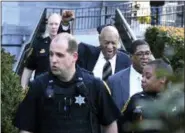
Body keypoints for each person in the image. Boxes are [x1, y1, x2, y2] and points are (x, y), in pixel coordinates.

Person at [14, 33, 120, 133]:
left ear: (74, 57)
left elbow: (110, 123)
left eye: (59, 55)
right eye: (51, 54)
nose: (53, 60)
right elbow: (26, 128)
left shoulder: (94, 85)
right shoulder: (38, 86)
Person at [118, 59, 173, 133]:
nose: (142, 79)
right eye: (142, 76)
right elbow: (122, 126)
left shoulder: (176, 101)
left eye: (148, 76)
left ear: (162, 79)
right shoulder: (136, 99)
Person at [107, 39, 154, 111]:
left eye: (147, 53)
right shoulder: (114, 81)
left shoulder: (159, 79)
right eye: (140, 54)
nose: (145, 57)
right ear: (131, 56)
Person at [21, 13, 61, 90]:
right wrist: (23, 89)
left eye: (56, 24)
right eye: (51, 24)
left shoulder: (67, 45)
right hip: (40, 89)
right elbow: (28, 68)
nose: (53, 27)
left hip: (60, 89)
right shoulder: (39, 45)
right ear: (47, 26)